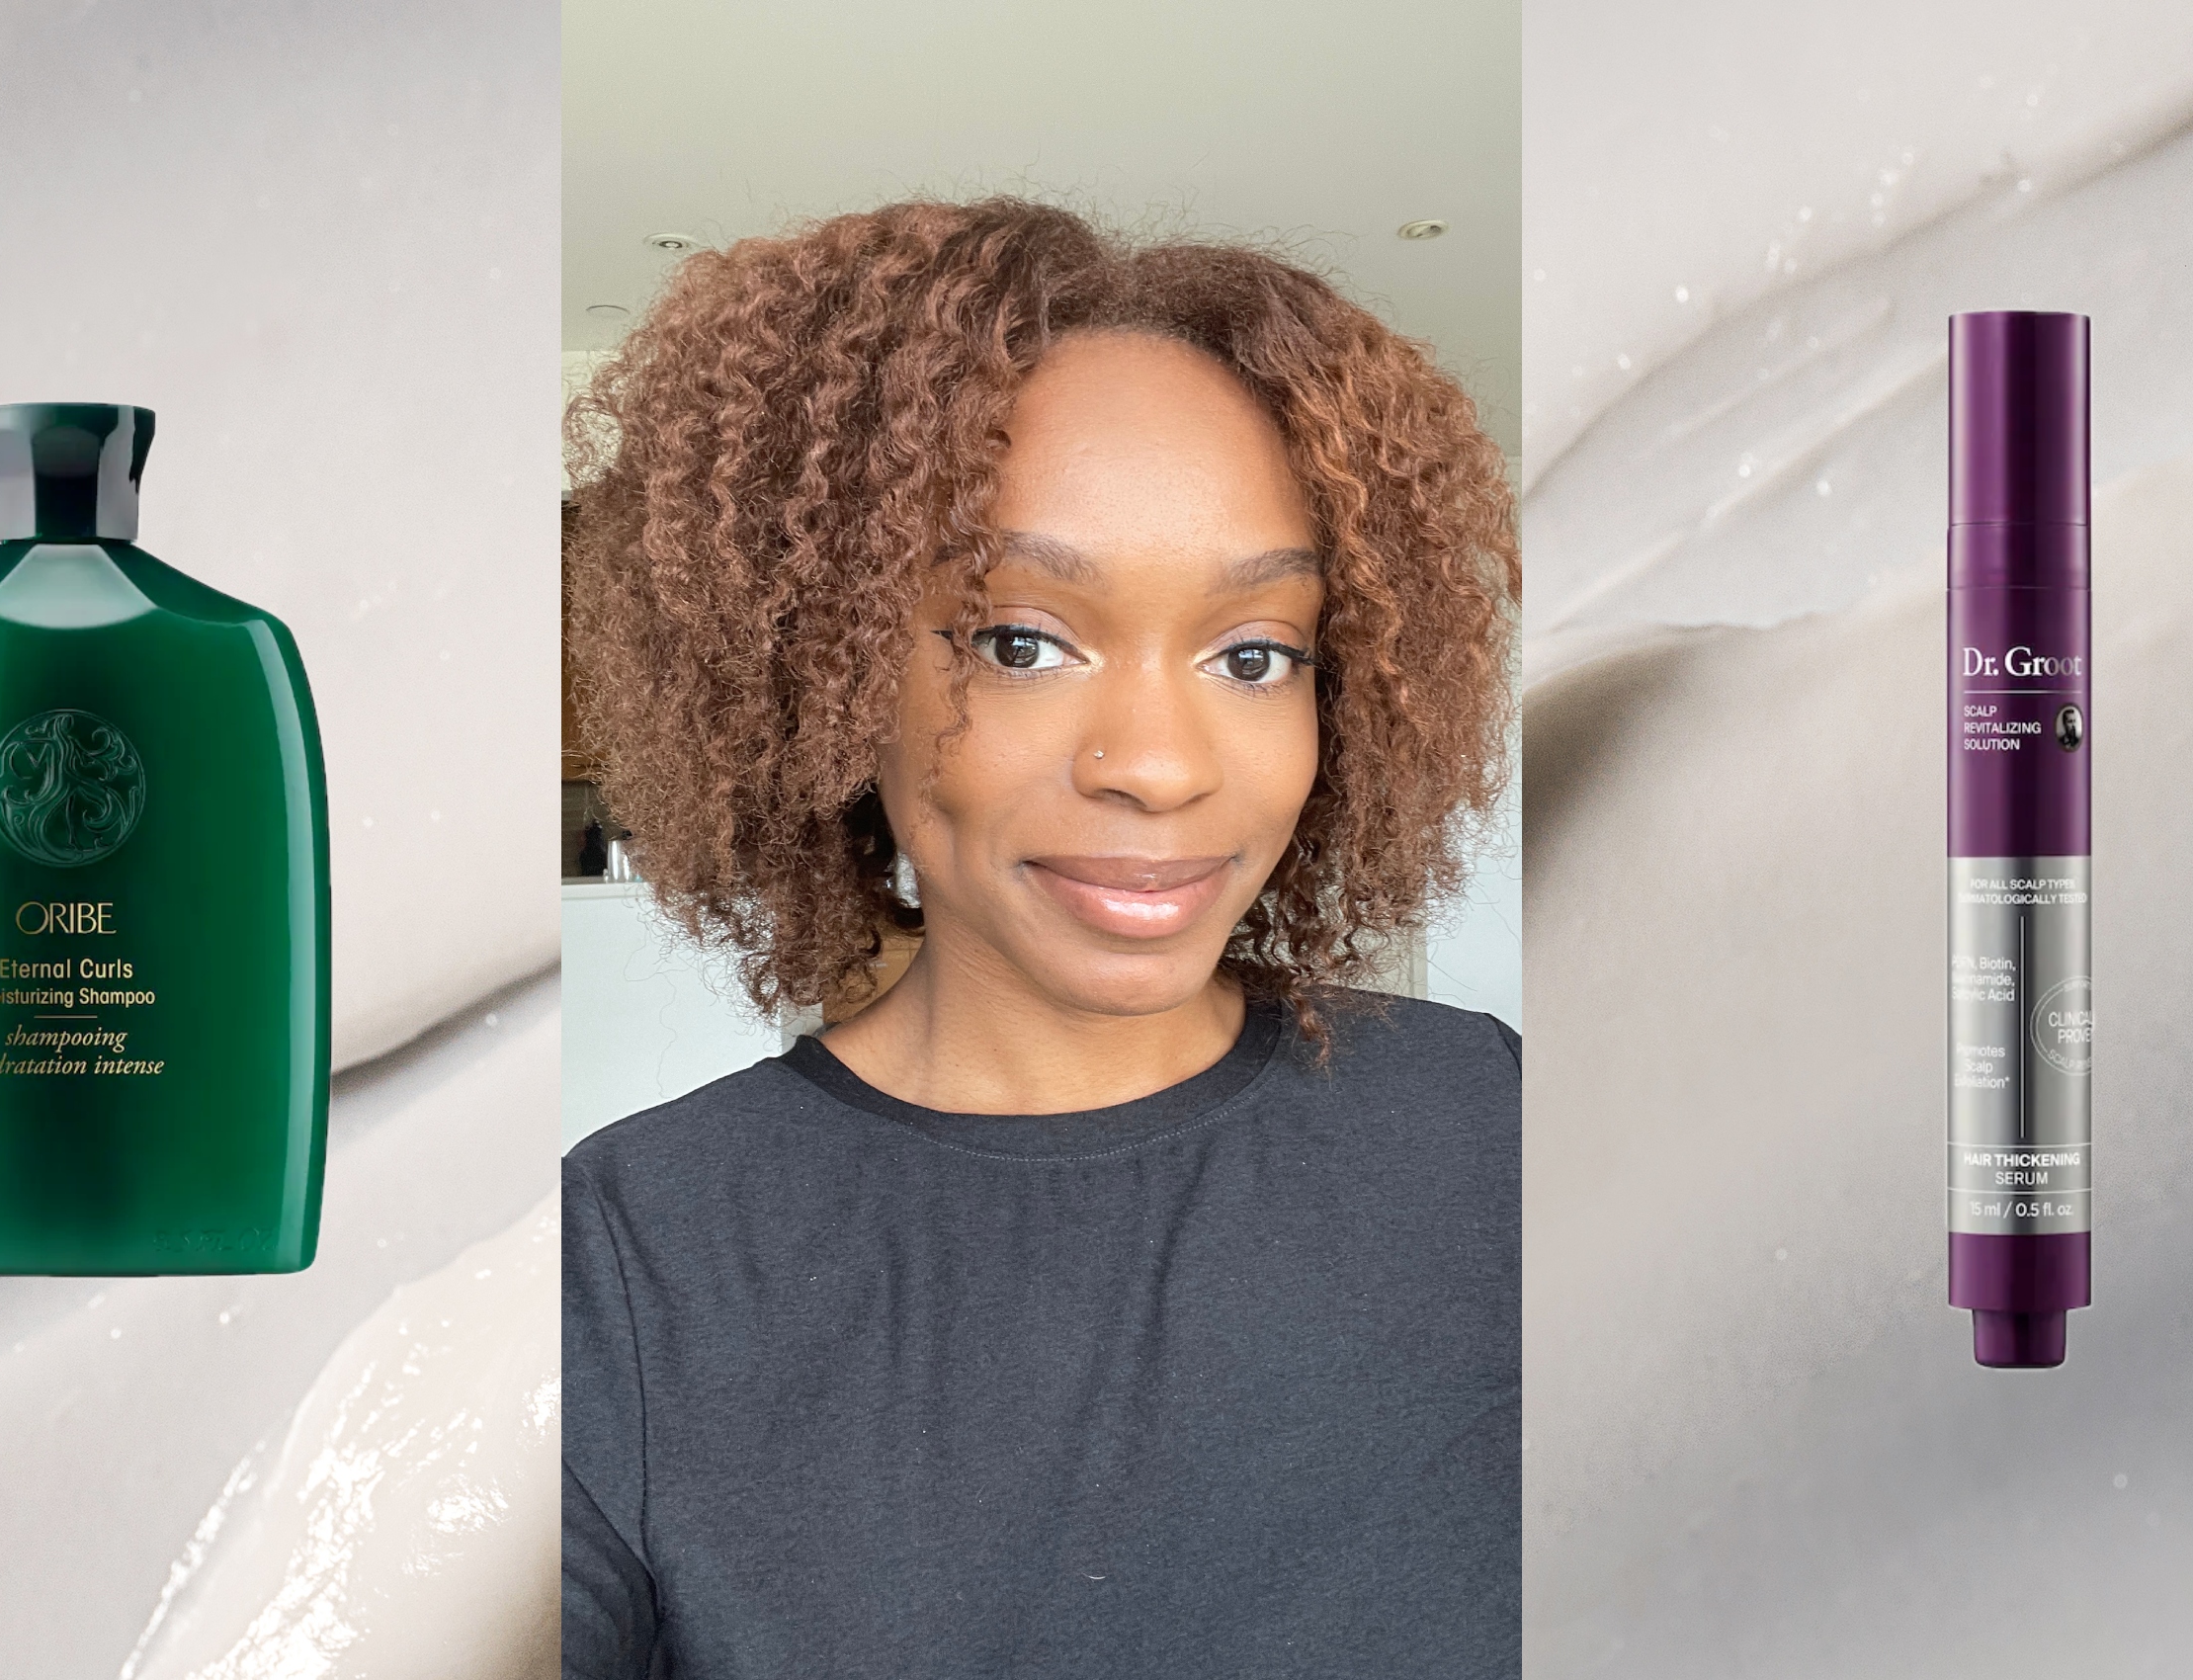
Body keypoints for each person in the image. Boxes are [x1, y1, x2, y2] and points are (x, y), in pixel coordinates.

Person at [561, 198, 1520, 1678]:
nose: (1159, 762)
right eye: (1021, 640)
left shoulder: (1497, 1128)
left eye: (1255, 654)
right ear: (818, 671)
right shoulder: (637, 1257)